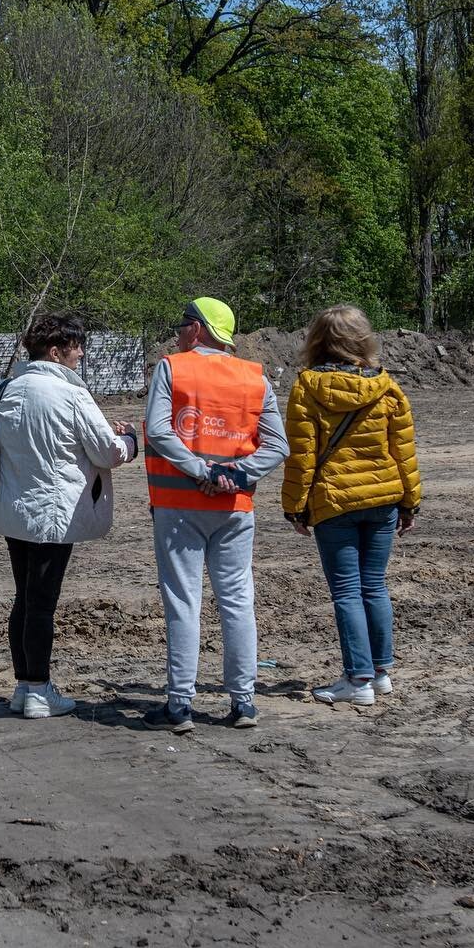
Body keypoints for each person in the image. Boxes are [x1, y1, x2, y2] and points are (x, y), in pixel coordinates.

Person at [0, 312, 139, 720]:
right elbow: (106, 453)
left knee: (25, 599)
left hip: (13, 512)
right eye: (77, 346)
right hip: (55, 516)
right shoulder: (71, 395)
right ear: (56, 350)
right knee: (41, 604)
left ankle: (25, 688)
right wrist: (130, 440)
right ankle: (40, 691)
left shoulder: (1, 389)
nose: (81, 354)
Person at [142, 297, 288, 733]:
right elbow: (277, 445)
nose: (178, 331)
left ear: (200, 328)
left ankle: (180, 706)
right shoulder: (255, 377)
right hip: (234, 508)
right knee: (238, 601)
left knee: (183, 602)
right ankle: (243, 702)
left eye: (183, 322)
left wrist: (202, 472)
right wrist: (236, 476)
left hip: (179, 505)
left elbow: (158, 430)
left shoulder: (173, 367)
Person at [281, 304, 421, 707]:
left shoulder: (306, 386)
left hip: (334, 501)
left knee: (346, 592)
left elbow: (301, 455)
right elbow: (404, 452)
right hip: (384, 499)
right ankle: (379, 674)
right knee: (373, 586)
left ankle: (357, 680)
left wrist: (295, 506)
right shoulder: (388, 387)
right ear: (363, 339)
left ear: (318, 341)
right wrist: (410, 502)